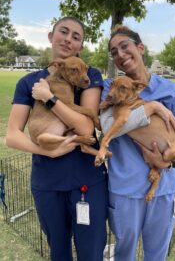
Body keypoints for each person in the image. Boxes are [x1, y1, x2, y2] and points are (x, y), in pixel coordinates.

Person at [6, 16, 108, 261]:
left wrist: (50, 98)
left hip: (87, 181)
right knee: (58, 251)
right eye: (63, 32)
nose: (69, 39)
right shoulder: (30, 82)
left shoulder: (89, 76)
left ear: (80, 47)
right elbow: (12, 135)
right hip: (47, 182)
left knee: (91, 252)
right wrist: (47, 151)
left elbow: (85, 129)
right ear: (51, 37)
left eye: (76, 37)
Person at [100, 25, 175, 261]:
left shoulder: (170, 91)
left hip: (164, 189)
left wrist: (168, 163)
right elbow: (106, 128)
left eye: (125, 46)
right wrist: (151, 108)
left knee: (156, 254)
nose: (120, 55)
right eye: (114, 52)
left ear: (140, 48)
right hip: (125, 189)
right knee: (124, 254)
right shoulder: (109, 87)